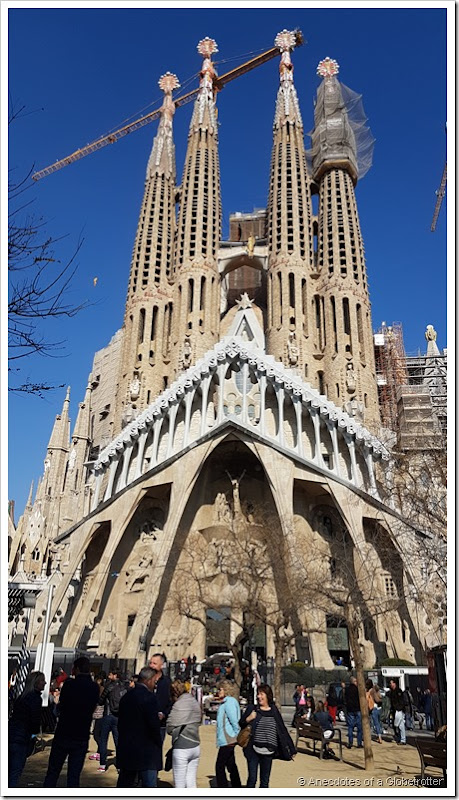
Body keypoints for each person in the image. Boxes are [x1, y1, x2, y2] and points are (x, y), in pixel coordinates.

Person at [43, 656, 99, 787]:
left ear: (77, 669)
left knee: (53, 772)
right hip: (81, 733)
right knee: (74, 776)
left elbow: (62, 706)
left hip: (64, 731)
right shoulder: (94, 687)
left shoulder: (69, 684)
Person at [240, 683, 296, 788]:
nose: (258, 696)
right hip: (253, 749)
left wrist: (291, 749)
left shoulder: (274, 710)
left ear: (267, 695)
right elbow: (241, 723)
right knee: (252, 779)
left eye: (261, 694)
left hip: (268, 751)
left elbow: (282, 729)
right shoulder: (253, 709)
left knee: (264, 782)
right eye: (258, 694)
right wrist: (249, 718)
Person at [116, 666, 162, 788]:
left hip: (128, 746)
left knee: (125, 783)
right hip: (146, 750)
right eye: (154, 681)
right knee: (149, 785)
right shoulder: (149, 697)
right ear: (149, 680)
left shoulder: (126, 697)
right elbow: (153, 725)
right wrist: (158, 741)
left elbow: (121, 723)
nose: (155, 685)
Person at [9, 671, 46, 787]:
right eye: (42, 680)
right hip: (22, 737)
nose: (45, 683)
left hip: (12, 734)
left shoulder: (22, 697)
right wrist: (34, 735)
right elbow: (34, 722)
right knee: (15, 772)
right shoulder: (35, 699)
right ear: (35, 683)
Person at [166, 680, 202, 788]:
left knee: (179, 784)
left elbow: (169, 726)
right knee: (191, 782)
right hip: (195, 745)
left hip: (182, 746)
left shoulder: (178, 705)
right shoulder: (194, 701)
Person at [95, 668, 125, 773]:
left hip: (107, 715)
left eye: (111, 674)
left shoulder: (109, 686)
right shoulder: (123, 687)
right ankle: (120, 765)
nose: (109, 676)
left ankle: (103, 764)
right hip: (118, 717)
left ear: (115, 675)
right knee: (118, 741)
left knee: (103, 740)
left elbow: (101, 701)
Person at [215, 680, 241, 788]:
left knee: (219, 766)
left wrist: (236, 734)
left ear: (225, 690)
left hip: (228, 738)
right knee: (231, 765)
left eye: (220, 689)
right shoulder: (226, 702)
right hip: (227, 738)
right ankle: (236, 786)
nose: (218, 692)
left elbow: (234, 720)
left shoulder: (229, 702)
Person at [148, 653, 172, 744]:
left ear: (161, 665)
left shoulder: (166, 682)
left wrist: (164, 714)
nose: (151, 666)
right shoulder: (144, 681)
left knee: (157, 749)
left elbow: (170, 702)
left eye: (154, 663)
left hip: (160, 724)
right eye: (150, 663)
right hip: (144, 723)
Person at [88, 672, 106, 763]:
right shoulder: (101, 688)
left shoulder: (99, 689)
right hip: (98, 713)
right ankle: (100, 751)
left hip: (99, 714)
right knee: (97, 733)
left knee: (96, 734)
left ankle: (101, 751)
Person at [344, 676, 362, 748]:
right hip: (357, 709)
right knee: (359, 727)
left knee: (350, 727)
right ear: (354, 682)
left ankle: (350, 742)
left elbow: (345, 699)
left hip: (350, 709)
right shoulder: (358, 690)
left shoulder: (347, 690)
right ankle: (359, 743)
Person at [388, 678, 407, 745]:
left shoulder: (398, 691)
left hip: (399, 710)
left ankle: (402, 739)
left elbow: (401, 701)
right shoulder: (392, 692)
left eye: (392, 683)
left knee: (399, 725)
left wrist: (399, 708)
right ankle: (401, 738)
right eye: (390, 683)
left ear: (395, 683)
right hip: (396, 710)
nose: (391, 685)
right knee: (398, 725)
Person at [366, 679, 383, 743]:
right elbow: (377, 699)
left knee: (372, 723)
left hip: (370, 707)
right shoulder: (373, 690)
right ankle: (379, 737)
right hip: (376, 707)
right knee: (377, 723)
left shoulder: (367, 691)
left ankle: (370, 736)